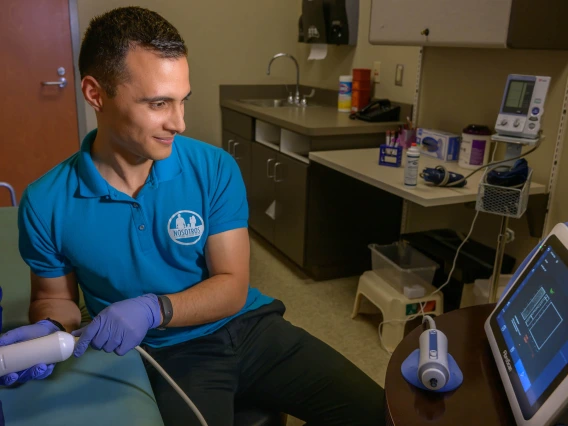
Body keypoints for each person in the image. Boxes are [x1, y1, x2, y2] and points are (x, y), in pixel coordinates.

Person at [0, 7, 384, 425]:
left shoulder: (214, 168)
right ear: (95, 94)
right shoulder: (46, 201)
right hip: (167, 353)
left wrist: (152, 307)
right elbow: (55, 298)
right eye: (159, 103)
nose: (179, 122)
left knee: (382, 414)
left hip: (251, 327)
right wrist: (49, 329)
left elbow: (233, 286)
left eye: (183, 101)